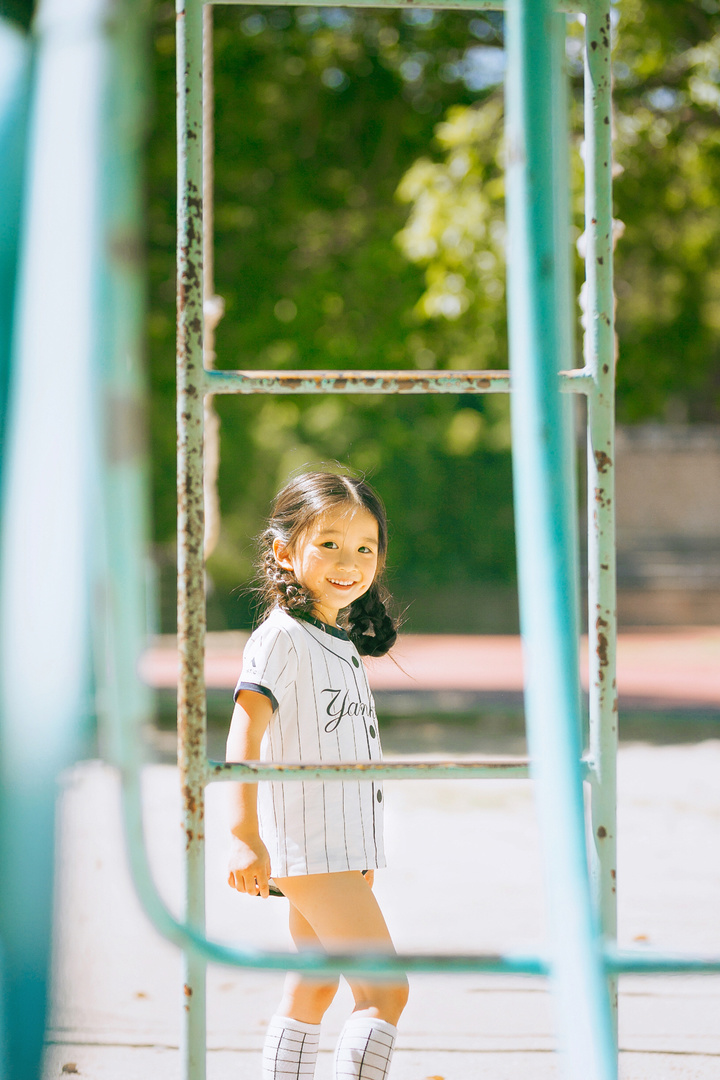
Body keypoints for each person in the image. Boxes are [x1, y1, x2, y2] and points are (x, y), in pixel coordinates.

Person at [226, 471, 408, 1080]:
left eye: (365, 547)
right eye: (328, 543)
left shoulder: (340, 641)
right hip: (310, 845)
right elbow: (244, 732)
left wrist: (362, 848)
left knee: (312, 985)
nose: (348, 561)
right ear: (284, 550)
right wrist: (241, 832)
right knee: (386, 992)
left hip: (339, 846)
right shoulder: (281, 637)